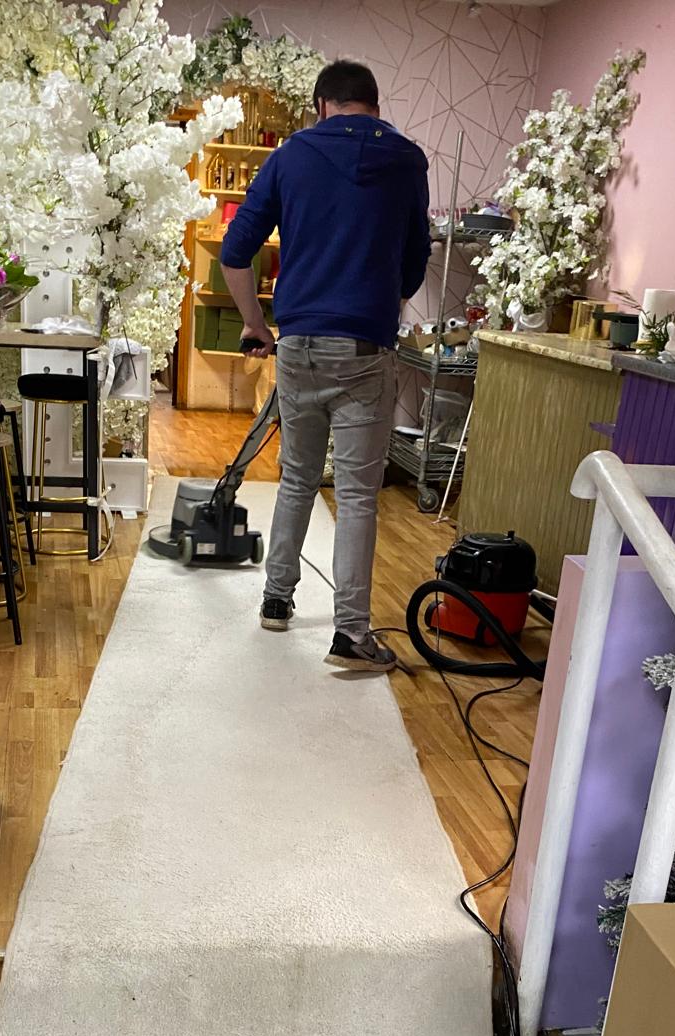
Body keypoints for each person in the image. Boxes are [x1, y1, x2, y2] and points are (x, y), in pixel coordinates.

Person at [220, 59, 431, 673]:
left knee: (296, 478)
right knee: (360, 495)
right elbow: (414, 261)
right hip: (366, 351)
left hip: (299, 343)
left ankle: (277, 600)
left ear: (320, 105)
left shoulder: (291, 155)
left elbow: (236, 255)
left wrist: (258, 326)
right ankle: (351, 633)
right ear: (374, 104)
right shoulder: (407, 160)